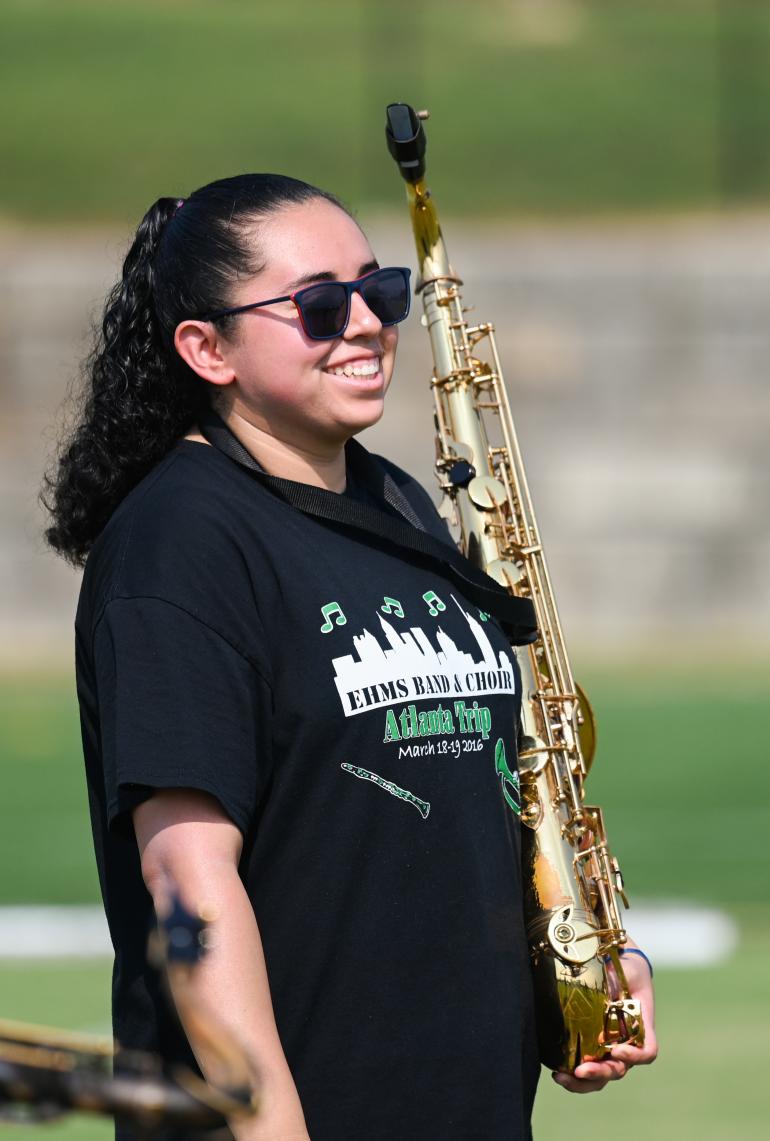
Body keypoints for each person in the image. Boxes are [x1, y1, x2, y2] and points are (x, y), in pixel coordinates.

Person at [44, 174, 657, 1141]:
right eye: (321, 305)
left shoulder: (402, 503)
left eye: (381, 291)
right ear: (208, 349)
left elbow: (479, 794)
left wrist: (580, 956)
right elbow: (188, 879)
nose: (366, 324)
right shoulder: (180, 544)